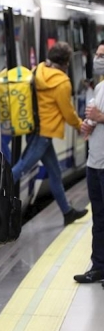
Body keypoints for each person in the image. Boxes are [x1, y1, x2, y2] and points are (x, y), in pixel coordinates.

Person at [10, 41, 88, 226]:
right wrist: (80, 125)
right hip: (44, 134)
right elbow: (67, 111)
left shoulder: (38, 71)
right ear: (66, 62)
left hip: (34, 129)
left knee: (54, 173)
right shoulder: (62, 82)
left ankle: (67, 212)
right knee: (21, 168)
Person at [74, 40, 104, 284]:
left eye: (102, 55)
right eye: (97, 54)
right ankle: (99, 266)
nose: (97, 59)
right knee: (99, 218)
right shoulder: (100, 87)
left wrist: (100, 117)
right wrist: (89, 125)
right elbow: (95, 120)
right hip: (95, 163)